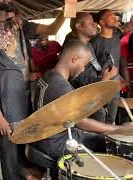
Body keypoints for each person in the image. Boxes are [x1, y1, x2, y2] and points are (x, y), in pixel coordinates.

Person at [0, 0, 65, 179]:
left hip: (28, 99)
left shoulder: (20, 25)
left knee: (28, 154)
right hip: (7, 106)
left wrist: (66, 8)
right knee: (10, 156)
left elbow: (53, 29)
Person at [31, 41, 130, 177]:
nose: (83, 69)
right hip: (56, 143)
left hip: (56, 135)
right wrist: (117, 129)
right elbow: (79, 121)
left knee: (105, 142)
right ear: (74, 59)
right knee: (102, 166)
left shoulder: (49, 75)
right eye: (84, 65)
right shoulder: (60, 86)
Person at [65, 12, 118, 122]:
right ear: (79, 26)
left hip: (94, 96)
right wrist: (106, 78)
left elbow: (91, 71)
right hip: (85, 100)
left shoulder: (87, 45)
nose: (95, 25)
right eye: (91, 23)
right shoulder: (75, 48)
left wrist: (103, 72)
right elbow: (79, 81)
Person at [90, 9, 130, 124]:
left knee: (111, 120)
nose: (115, 18)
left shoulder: (117, 37)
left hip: (115, 86)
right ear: (102, 22)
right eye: (111, 16)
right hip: (100, 86)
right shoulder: (94, 42)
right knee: (99, 120)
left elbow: (126, 28)